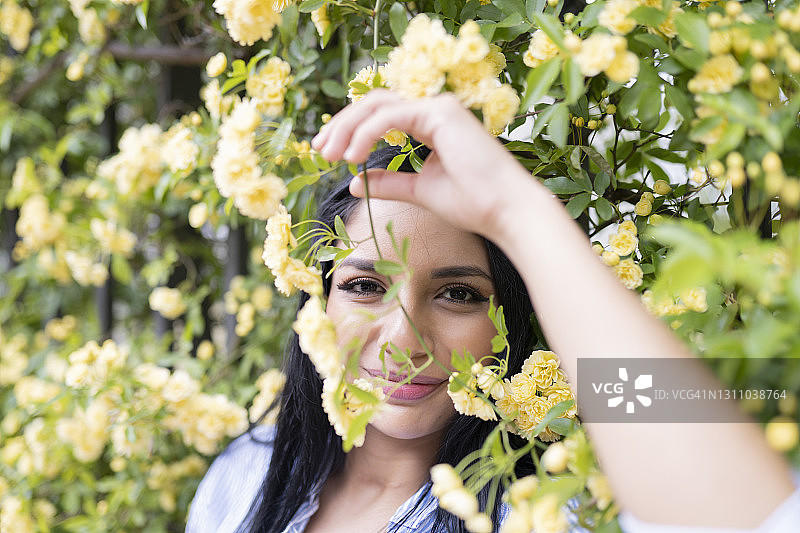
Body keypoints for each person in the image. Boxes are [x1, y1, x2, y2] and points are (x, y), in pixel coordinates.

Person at [187, 90, 800, 532]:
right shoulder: (242, 477)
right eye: (365, 286)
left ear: (511, 320)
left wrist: (518, 215)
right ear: (317, 302)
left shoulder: (550, 514)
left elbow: (743, 520)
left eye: (458, 294)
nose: (404, 339)